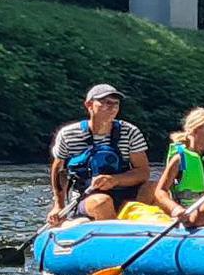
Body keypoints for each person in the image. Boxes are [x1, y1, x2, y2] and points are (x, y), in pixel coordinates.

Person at [47, 83, 152, 224]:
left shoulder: (130, 131)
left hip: (126, 192)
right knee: (103, 202)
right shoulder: (68, 134)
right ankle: (113, 238)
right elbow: (59, 170)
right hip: (88, 197)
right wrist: (58, 205)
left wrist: (115, 180)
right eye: (106, 103)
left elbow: (143, 172)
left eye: (116, 104)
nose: (113, 108)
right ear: (89, 105)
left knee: (155, 188)